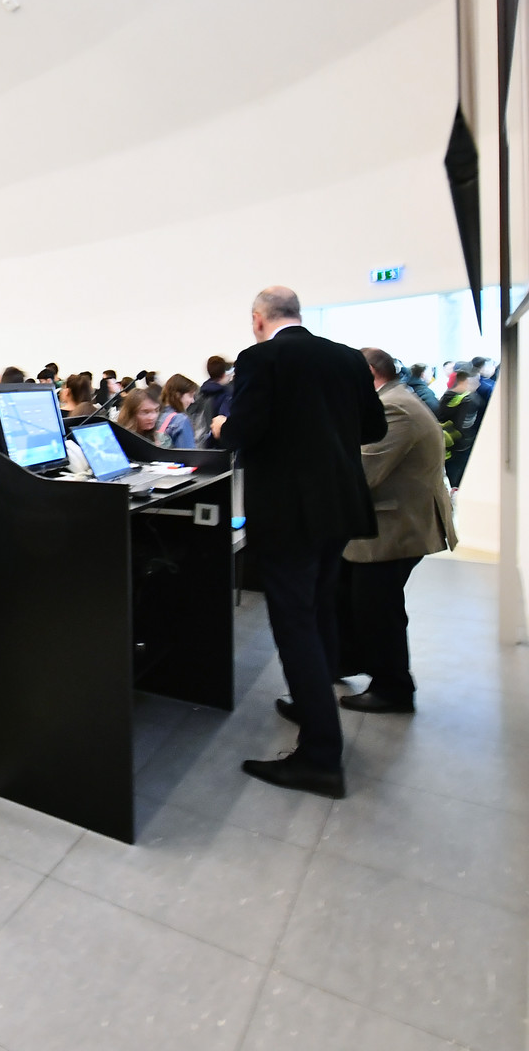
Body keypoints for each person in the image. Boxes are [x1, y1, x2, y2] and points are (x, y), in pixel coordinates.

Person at [212, 286, 386, 799]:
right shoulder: (347, 359)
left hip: (289, 514)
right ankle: (313, 704)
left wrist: (222, 425)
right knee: (320, 608)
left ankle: (319, 757)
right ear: (298, 314)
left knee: (294, 625)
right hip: (339, 506)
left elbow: (243, 430)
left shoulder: (260, 358)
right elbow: (373, 427)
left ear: (258, 319)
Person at [320, 348, 457, 717]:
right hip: (384, 524)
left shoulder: (393, 408)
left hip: (395, 527)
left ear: (366, 373)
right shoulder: (393, 400)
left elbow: (362, 472)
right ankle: (346, 660)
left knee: (377, 609)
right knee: (347, 593)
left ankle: (393, 689)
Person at [438, 365, 483, 488]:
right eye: (476, 380)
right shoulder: (469, 400)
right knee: (460, 482)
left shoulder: (446, 396)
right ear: (467, 381)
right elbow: (464, 426)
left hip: (447, 446)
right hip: (462, 447)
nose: (478, 384)